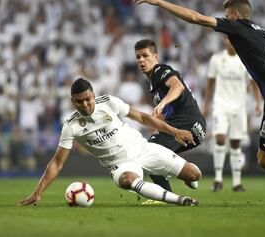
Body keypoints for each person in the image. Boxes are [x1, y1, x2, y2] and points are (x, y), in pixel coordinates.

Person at [133, 0, 265, 207]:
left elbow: (196, 18)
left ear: (234, 15)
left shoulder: (239, 27)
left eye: (226, 15)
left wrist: (157, 2)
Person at [19, 78, 201, 207]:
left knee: (194, 174)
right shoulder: (71, 126)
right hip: (120, 166)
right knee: (128, 180)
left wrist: (174, 131)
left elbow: (142, 118)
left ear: (93, 95)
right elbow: (57, 163)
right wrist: (38, 191)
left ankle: (188, 179)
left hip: (143, 149)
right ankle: (179, 200)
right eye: (79, 102)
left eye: (88, 99)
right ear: (72, 102)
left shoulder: (109, 102)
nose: (85, 105)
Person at [134, 39, 206, 203]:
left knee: (149, 153)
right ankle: (189, 172)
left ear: (156, 57)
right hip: (193, 127)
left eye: (145, 56)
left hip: (188, 126)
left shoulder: (161, 70)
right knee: (155, 155)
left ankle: (165, 196)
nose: (141, 60)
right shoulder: (153, 83)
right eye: (138, 57)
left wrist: (162, 103)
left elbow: (178, 86)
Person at [203, 36, 262, 192]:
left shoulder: (245, 60)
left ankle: (237, 182)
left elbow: (253, 83)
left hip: (239, 106)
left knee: (236, 142)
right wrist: (206, 104)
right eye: (228, 39)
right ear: (224, 41)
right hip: (220, 105)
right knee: (220, 138)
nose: (230, 42)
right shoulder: (216, 59)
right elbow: (210, 82)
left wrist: (258, 102)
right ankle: (218, 179)